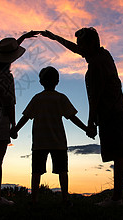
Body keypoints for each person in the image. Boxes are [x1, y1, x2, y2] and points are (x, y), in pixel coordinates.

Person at [41, 28, 123, 206]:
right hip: (119, 112)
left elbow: (95, 96)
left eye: (82, 46)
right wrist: (53, 37)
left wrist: (91, 122)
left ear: (90, 45)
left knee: (119, 156)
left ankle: (116, 198)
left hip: (111, 113)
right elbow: (75, 48)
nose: (79, 50)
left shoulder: (96, 64)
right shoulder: (103, 54)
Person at [0, 31, 39, 205]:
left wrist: (22, 38)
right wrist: (13, 125)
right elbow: (9, 103)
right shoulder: (7, 77)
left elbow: (5, 55)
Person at [10, 66, 88, 205]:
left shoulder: (37, 98)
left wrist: (15, 129)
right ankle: (65, 199)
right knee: (62, 171)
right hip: (58, 141)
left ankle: (34, 199)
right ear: (57, 81)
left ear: (41, 82)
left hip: (40, 142)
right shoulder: (61, 98)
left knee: (36, 172)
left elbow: (26, 117)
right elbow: (72, 117)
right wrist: (86, 129)